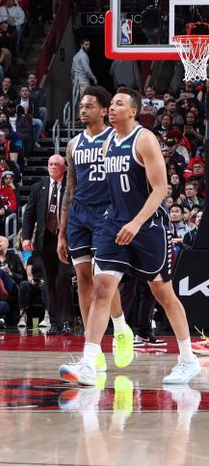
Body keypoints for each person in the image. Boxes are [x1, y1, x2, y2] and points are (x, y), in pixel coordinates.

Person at [59, 88, 200, 386]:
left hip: (147, 228)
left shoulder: (144, 139)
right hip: (114, 225)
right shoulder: (108, 140)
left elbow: (161, 189)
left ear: (133, 111)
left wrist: (136, 223)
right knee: (101, 288)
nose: (111, 108)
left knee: (164, 294)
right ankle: (90, 361)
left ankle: (188, 359)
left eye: (118, 104)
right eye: (110, 104)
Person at [57, 86, 132, 371]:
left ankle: (120, 327)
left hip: (107, 214)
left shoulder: (116, 139)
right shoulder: (74, 144)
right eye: (81, 106)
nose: (83, 110)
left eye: (89, 106)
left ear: (104, 110)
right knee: (83, 279)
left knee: (103, 281)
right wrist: (62, 232)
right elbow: (70, 187)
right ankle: (94, 348)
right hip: (78, 215)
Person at [22, 155, 75, 335]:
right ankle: (53, 322)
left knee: (64, 280)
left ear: (64, 167)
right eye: (50, 164)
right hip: (45, 241)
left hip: (66, 240)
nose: (53, 167)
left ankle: (67, 321)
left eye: (57, 164)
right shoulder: (38, 187)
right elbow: (29, 214)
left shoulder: (71, 186)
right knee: (49, 283)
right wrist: (27, 237)